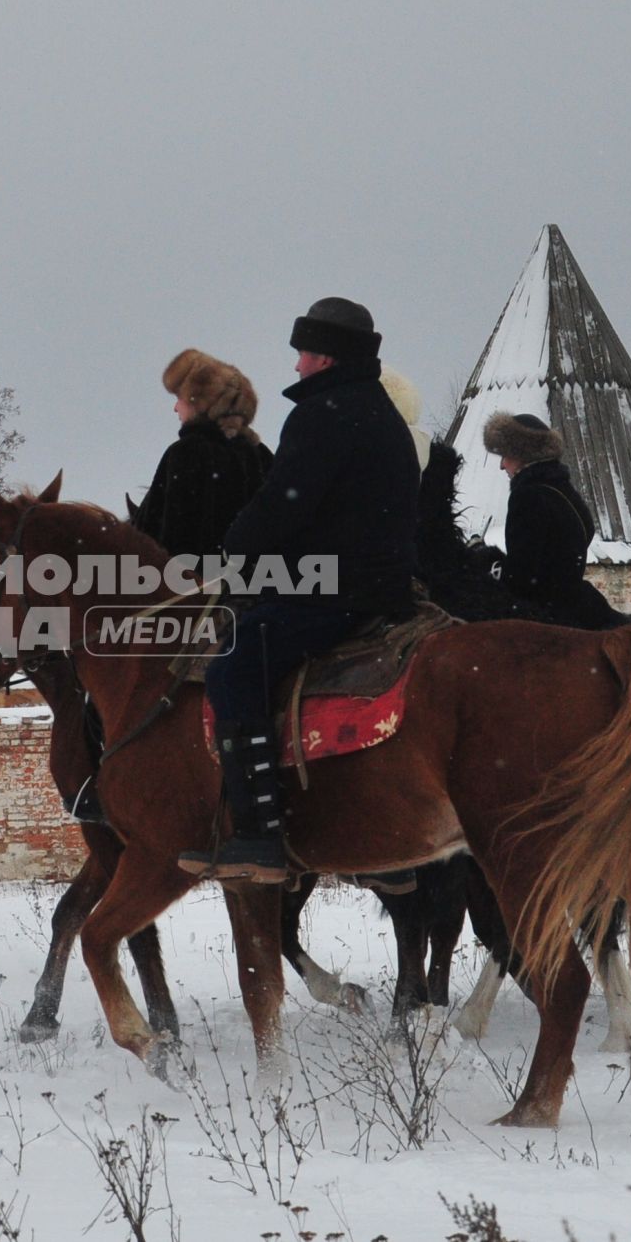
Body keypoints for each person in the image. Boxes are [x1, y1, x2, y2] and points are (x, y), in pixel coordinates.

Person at [176, 298, 421, 884]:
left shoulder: (322, 415)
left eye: (303, 354)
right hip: (382, 587)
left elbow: (282, 507)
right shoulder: (380, 412)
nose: (296, 368)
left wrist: (232, 555)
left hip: (333, 590)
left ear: (326, 356)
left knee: (232, 667)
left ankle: (259, 836)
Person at [479, 412, 631, 630]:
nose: (502, 465)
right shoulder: (564, 491)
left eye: (505, 455)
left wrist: (488, 564)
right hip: (576, 606)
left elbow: (522, 577)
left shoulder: (528, 496)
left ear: (522, 454)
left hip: (548, 619)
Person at [132, 349, 273, 560]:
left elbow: (160, 536)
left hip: (190, 587)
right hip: (261, 586)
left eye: (179, 398)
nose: (175, 408)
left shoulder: (185, 453)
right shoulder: (260, 454)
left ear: (198, 402)